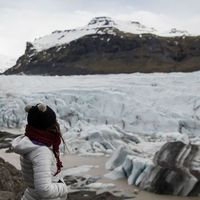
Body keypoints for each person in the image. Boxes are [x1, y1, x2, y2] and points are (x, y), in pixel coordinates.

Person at [12, 103, 68, 200]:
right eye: (54, 121)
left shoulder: (30, 142)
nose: (57, 124)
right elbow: (44, 190)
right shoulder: (41, 151)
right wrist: (63, 188)